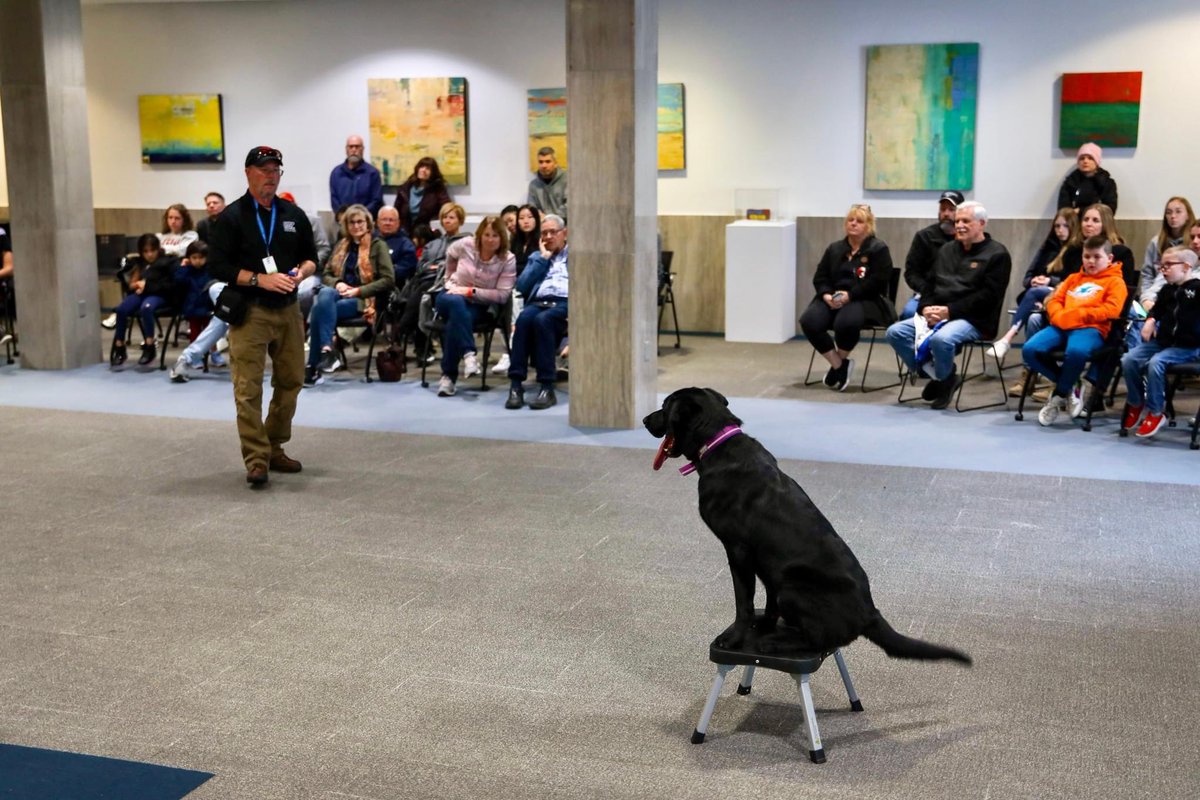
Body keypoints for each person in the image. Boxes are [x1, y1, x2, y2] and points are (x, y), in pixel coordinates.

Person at [207, 145, 318, 488]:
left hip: (288, 310)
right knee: (248, 388)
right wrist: (259, 279)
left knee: (291, 381)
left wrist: (300, 274)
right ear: (248, 173)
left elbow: (311, 258)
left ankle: (274, 445)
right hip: (250, 311)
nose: (271, 176)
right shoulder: (232, 217)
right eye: (264, 170)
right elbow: (217, 267)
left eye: (275, 170)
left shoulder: (292, 215)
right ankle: (256, 459)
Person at [884, 201, 1012, 409]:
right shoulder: (946, 250)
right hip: (939, 313)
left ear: (981, 224)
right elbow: (930, 284)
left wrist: (949, 311)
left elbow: (989, 297)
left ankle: (941, 381)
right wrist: (925, 308)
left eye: (966, 221)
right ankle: (945, 376)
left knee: (941, 340)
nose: (959, 225)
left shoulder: (997, 254)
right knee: (895, 333)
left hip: (974, 319)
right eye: (958, 221)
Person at [1023, 236, 1127, 426]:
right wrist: (1058, 316)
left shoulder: (1115, 282)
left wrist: (1078, 315)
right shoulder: (1073, 278)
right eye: (1087, 256)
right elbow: (1054, 300)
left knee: (1076, 352)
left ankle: (1058, 395)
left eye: (1097, 257)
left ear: (1109, 258)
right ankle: (1072, 383)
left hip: (1091, 329)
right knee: (1030, 350)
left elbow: (1111, 310)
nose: (1091, 261)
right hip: (1061, 326)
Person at [798, 204, 895, 390]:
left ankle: (838, 367)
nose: (853, 224)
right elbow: (820, 277)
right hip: (833, 297)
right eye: (850, 220)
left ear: (869, 226)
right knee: (809, 321)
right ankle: (839, 365)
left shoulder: (878, 249)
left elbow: (879, 281)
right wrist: (826, 295)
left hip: (864, 298)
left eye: (859, 221)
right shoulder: (835, 248)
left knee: (846, 323)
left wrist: (850, 295)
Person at [305, 204, 394, 386]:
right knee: (326, 293)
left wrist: (358, 290)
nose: (356, 226)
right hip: (339, 294)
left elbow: (388, 280)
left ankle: (313, 367)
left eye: (360, 221)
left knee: (318, 310)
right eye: (351, 222)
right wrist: (338, 283)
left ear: (368, 223)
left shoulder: (378, 245)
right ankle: (327, 349)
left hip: (364, 299)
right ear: (346, 225)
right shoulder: (341, 245)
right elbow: (327, 274)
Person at [1120, 246, 1200, 438]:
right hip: (1164, 342)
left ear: (1186, 267)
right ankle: (1136, 402)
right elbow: (1157, 311)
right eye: (1161, 266)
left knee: (1156, 363)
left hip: (1188, 346)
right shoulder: (1167, 290)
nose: (1163, 270)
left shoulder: (1197, 290)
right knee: (1128, 359)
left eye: (1168, 265)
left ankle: (1156, 412)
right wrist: (1150, 320)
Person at [434, 216, 517, 397]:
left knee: (455, 322)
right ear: (479, 235)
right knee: (456, 303)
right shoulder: (466, 244)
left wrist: (470, 291)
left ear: (502, 238)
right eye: (486, 234)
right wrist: (449, 277)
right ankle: (469, 353)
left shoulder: (508, 259)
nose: (490, 239)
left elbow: (502, 295)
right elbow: (450, 253)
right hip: (449, 296)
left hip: (478, 305)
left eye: (495, 235)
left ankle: (448, 377)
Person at [988, 208, 1081, 361]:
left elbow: (1075, 281)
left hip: (1064, 296)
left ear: (1073, 227)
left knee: (1034, 294)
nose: (1060, 230)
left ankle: (1007, 338)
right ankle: (1030, 367)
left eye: (1065, 226)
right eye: (1057, 226)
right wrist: (1033, 281)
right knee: (1033, 316)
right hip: (1040, 296)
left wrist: (1049, 281)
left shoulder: (1078, 250)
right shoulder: (1048, 247)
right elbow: (1026, 279)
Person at [506, 214, 568, 410]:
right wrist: (543, 259)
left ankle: (546, 387)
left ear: (564, 233)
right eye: (544, 233)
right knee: (524, 319)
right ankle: (516, 385)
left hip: (564, 303)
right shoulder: (536, 257)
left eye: (553, 232)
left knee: (543, 320)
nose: (548, 237)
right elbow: (522, 286)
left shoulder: (576, 256)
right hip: (539, 301)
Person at [395, 203, 469, 359]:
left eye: (451, 217)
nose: (447, 220)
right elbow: (421, 266)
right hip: (425, 280)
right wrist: (436, 266)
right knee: (419, 294)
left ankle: (402, 332)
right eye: (444, 217)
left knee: (422, 295)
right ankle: (420, 347)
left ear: (460, 221)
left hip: (450, 284)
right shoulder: (433, 244)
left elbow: (464, 266)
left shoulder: (467, 242)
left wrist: (439, 267)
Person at [110, 233, 177, 367]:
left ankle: (149, 345)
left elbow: (170, 285)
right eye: (145, 251)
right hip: (141, 294)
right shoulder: (138, 263)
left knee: (146, 308)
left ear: (158, 249)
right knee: (121, 309)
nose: (149, 255)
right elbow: (130, 284)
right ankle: (119, 346)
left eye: (152, 250)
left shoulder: (168, 262)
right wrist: (135, 285)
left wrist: (147, 285)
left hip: (160, 296)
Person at [901, 190, 961, 319]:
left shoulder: (966, 238)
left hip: (957, 295)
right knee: (909, 313)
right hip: (927, 293)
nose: (946, 214)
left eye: (951, 209)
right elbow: (911, 272)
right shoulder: (925, 236)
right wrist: (926, 290)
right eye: (943, 209)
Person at [1139, 197, 1195, 309]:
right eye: (1168, 213)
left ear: (1188, 216)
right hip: (1154, 295)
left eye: (1178, 211)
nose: (1173, 216)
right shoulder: (1156, 242)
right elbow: (1147, 275)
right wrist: (1146, 297)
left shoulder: (1193, 243)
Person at [174, 240, 220, 349]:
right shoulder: (187, 271)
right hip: (192, 308)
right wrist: (183, 266)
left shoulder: (210, 270)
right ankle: (195, 354)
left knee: (211, 333)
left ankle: (214, 353)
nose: (198, 261)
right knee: (194, 334)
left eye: (201, 257)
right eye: (194, 258)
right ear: (189, 258)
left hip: (208, 307)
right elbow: (178, 280)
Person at [393, 157, 452, 235]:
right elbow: (396, 210)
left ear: (433, 172)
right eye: (421, 167)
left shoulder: (438, 189)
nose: (423, 170)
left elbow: (446, 208)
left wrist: (433, 224)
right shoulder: (406, 187)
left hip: (426, 232)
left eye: (428, 168)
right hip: (405, 231)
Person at [329, 134, 383, 216]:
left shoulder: (372, 173)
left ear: (363, 149)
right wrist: (345, 217)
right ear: (346, 150)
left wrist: (360, 217)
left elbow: (376, 201)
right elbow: (334, 200)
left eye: (357, 147)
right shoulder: (336, 173)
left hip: (365, 221)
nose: (354, 150)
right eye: (351, 147)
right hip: (342, 220)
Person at [1057, 142, 1118, 213]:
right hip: (1074, 219)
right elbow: (1063, 210)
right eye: (1082, 158)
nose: (1085, 161)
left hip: (1099, 219)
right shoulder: (1070, 182)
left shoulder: (1107, 182)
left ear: (1097, 162)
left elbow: (1110, 209)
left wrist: (1080, 210)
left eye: (1090, 158)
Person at [376, 205, 418, 285]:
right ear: (378, 222)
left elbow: (403, 271)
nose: (387, 223)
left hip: (392, 286)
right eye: (384, 219)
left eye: (391, 220)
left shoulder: (406, 245)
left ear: (398, 223)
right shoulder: (369, 240)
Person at [527, 147, 567, 221]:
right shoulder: (533, 185)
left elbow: (569, 205)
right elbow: (532, 208)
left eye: (548, 161)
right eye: (541, 162)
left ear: (555, 163)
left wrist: (550, 218)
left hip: (564, 224)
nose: (544, 165)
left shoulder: (567, 180)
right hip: (542, 225)